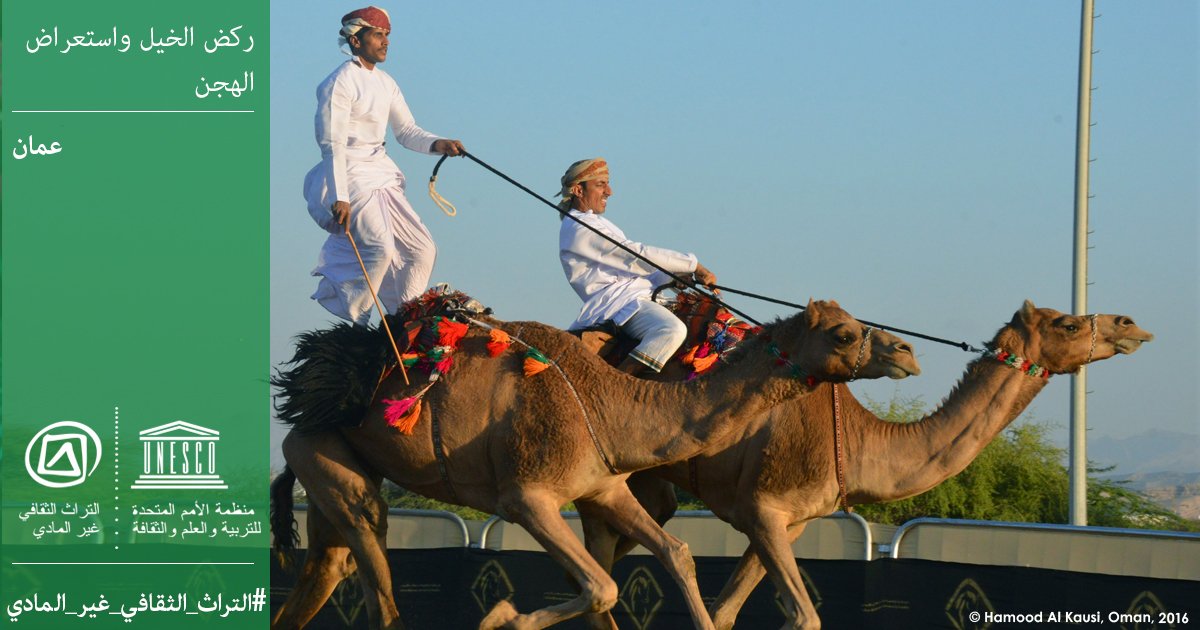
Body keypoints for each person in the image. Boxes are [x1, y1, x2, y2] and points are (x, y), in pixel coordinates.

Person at [303, 6, 466, 326]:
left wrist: (438, 144)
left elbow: (407, 132)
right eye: (378, 34)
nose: (386, 41)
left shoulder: (387, 83)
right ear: (355, 40)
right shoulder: (338, 83)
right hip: (349, 177)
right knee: (379, 248)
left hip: (381, 173)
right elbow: (332, 144)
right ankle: (358, 326)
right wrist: (340, 196)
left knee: (423, 250)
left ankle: (404, 321)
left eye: (387, 35)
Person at [557, 158, 718, 375]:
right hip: (617, 305)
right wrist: (694, 265)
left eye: (608, 183)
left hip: (635, 296)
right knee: (671, 330)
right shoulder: (579, 228)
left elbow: (629, 270)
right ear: (578, 190)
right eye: (600, 184)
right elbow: (633, 255)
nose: (609, 191)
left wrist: (673, 277)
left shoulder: (595, 221)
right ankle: (618, 386)